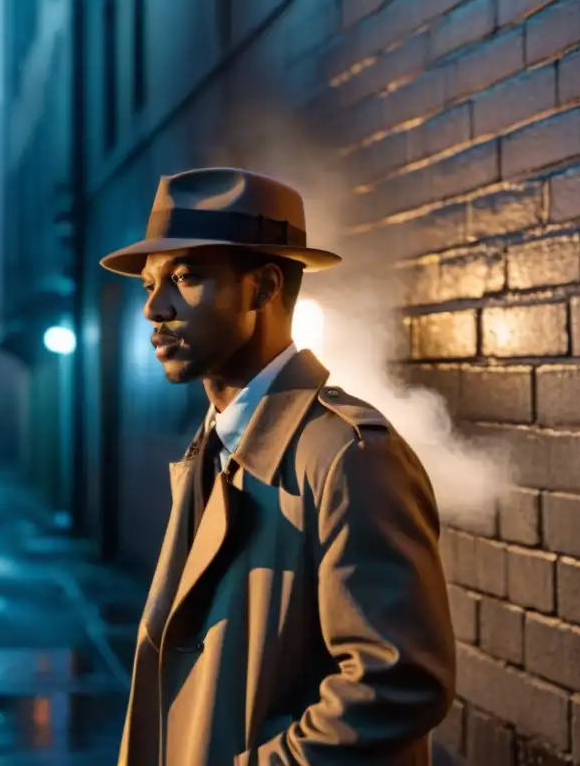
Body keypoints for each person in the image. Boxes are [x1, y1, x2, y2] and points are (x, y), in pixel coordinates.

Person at [100, 167, 456, 766]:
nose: (154, 308)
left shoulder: (347, 456)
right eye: (149, 284)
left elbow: (396, 682)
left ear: (263, 288)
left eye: (185, 277)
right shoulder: (212, 445)